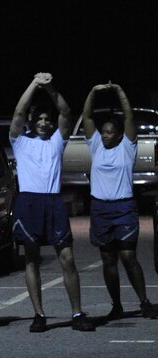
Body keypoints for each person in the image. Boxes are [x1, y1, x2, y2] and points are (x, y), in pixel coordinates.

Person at [9, 72, 95, 333]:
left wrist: (50, 88)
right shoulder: (19, 141)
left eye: (48, 119)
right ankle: (39, 314)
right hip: (29, 202)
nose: (45, 123)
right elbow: (18, 112)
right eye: (40, 119)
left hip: (53, 202)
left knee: (67, 258)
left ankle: (77, 313)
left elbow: (66, 112)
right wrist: (33, 83)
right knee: (31, 260)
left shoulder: (58, 140)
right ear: (33, 121)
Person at [81, 82, 158, 320]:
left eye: (109, 132)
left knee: (128, 257)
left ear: (119, 134)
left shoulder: (127, 146)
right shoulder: (96, 146)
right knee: (108, 259)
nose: (104, 136)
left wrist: (119, 91)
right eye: (102, 132)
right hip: (101, 208)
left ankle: (144, 302)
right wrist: (93, 92)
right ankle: (116, 305)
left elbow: (128, 116)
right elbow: (86, 116)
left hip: (123, 207)